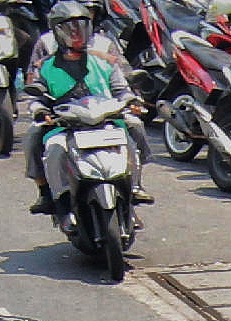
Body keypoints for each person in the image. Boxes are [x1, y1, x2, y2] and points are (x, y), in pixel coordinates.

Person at [24, 4, 148, 215]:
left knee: (134, 128)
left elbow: (121, 89)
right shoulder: (46, 65)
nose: (76, 34)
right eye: (69, 28)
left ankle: (135, 184)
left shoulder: (104, 59)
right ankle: (53, 195)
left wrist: (132, 101)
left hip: (105, 118)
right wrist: (39, 111)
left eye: (81, 26)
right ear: (57, 32)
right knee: (44, 143)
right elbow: (35, 94)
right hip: (63, 122)